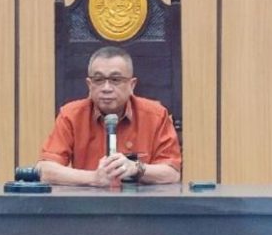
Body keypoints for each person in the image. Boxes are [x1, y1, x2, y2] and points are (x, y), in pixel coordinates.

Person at [37, 46, 181, 186]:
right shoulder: (71, 115)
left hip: (140, 201)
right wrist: (93, 178)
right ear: (89, 84)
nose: (106, 88)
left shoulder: (155, 115)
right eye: (98, 80)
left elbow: (172, 173)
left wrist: (137, 168)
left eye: (115, 80)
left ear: (132, 85)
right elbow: (44, 170)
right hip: (88, 200)